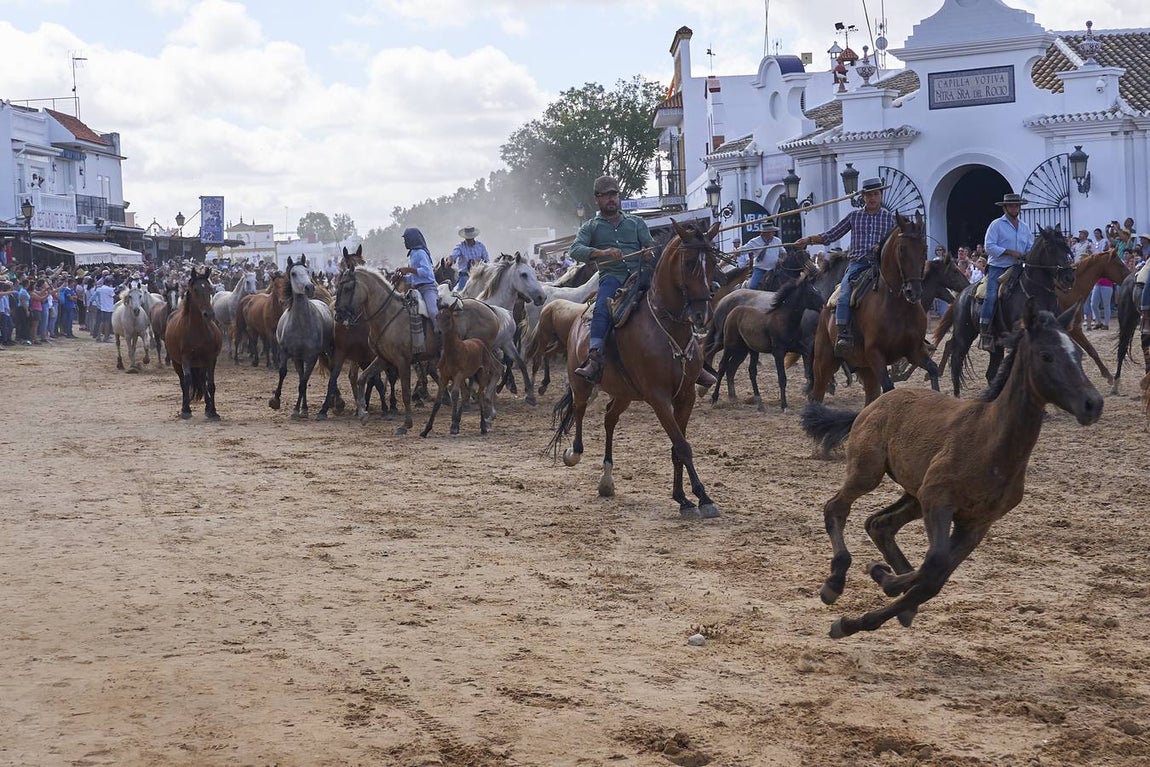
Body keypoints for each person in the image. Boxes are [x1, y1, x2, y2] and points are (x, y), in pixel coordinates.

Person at [794, 177, 896, 357]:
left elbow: (897, 244)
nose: (872, 198)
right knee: (843, 296)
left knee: (906, 292)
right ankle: (843, 335)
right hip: (858, 264)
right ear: (863, 197)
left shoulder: (891, 220)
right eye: (868, 195)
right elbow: (831, 235)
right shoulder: (854, 217)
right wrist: (809, 240)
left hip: (882, 266)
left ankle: (912, 334)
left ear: (881, 195)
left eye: (875, 194)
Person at [569, 175, 654, 383]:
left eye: (614, 194)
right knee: (601, 310)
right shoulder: (591, 227)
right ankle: (595, 356)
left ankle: (694, 354)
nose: (611, 199)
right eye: (606, 195)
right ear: (596, 199)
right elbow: (575, 250)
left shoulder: (637, 223)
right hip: (612, 277)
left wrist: (647, 252)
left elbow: (649, 245)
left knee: (674, 296)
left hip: (640, 274)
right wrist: (603, 252)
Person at [979, 192, 1035, 351]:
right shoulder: (996, 225)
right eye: (1011, 205)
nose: (1014, 207)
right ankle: (985, 332)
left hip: (1019, 267)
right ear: (1005, 208)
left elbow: (1030, 246)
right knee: (991, 296)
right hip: (999, 266)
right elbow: (989, 247)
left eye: (1016, 205)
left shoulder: (1024, 227)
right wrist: (1010, 252)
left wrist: (1028, 255)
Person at [394, 227, 439, 325]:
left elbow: (426, 272)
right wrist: (402, 278)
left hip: (427, 289)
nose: (404, 242)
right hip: (415, 289)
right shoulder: (412, 255)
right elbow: (414, 278)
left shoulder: (421, 253)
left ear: (412, 239)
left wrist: (408, 270)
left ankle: (440, 335)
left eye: (406, 239)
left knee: (433, 312)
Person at [746, 223, 784, 291]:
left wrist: (782, 259)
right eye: (771, 232)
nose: (773, 233)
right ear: (765, 233)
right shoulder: (754, 241)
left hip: (774, 269)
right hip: (760, 269)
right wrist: (738, 252)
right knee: (753, 286)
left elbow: (783, 252)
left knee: (784, 285)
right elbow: (744, 249)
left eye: (773, 231)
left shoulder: (777, 240)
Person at [450, 226, 489, 291]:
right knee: (460, 292)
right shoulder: (460, 246)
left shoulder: (480, 246)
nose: (469, 239)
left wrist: (478, 261)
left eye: (470, 237)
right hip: (464, 275)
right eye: (468, 238)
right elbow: (453, 255)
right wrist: (450, 260)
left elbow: (486, 260)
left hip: (479, 275)